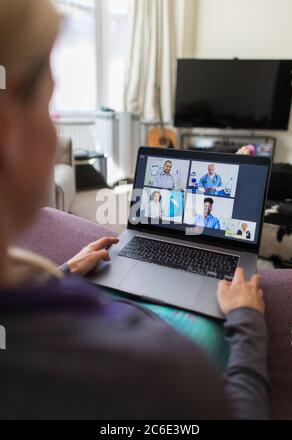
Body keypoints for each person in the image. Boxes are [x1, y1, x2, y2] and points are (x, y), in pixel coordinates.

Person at [0, 0, 270, 420]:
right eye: (48, 106)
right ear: (9, 130)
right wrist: (249, 322)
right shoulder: (161, 372)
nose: (56, 138)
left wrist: (65, 273)